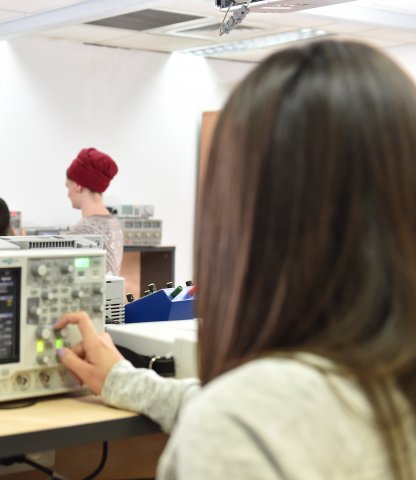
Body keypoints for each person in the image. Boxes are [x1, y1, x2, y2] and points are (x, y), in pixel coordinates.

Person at [56, 40, 416, 479]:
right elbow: (232, 408)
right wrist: (122, 379)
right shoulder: (374, 384)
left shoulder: (240, 428)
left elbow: (244, 419)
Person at [65, 148, 124, 275]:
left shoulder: (82, 231)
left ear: (78, 186)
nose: (67, 194)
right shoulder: (115, 224)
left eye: (68, 186)